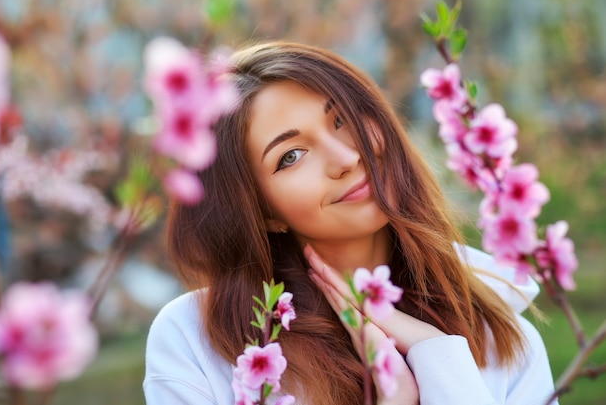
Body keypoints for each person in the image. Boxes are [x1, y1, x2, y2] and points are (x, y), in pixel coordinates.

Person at [143, 41, 558, 405]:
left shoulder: (502, 333)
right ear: (261, 211)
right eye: (291, 156)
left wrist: (437, 355)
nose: (346, 159)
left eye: (342, 120)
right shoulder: (196, 341)